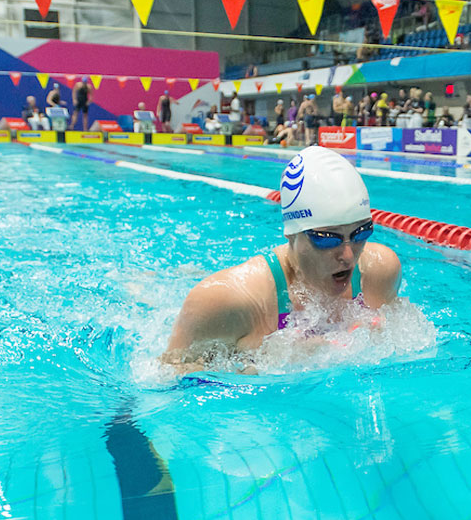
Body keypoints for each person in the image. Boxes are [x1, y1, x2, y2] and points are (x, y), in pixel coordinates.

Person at [162, 147, 401, 374]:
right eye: (328, 239)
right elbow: (167, 380)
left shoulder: (379, 271)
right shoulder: (226, 300)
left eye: (360, 233)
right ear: (291, 233)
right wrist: (267, 366)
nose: (348, 255)